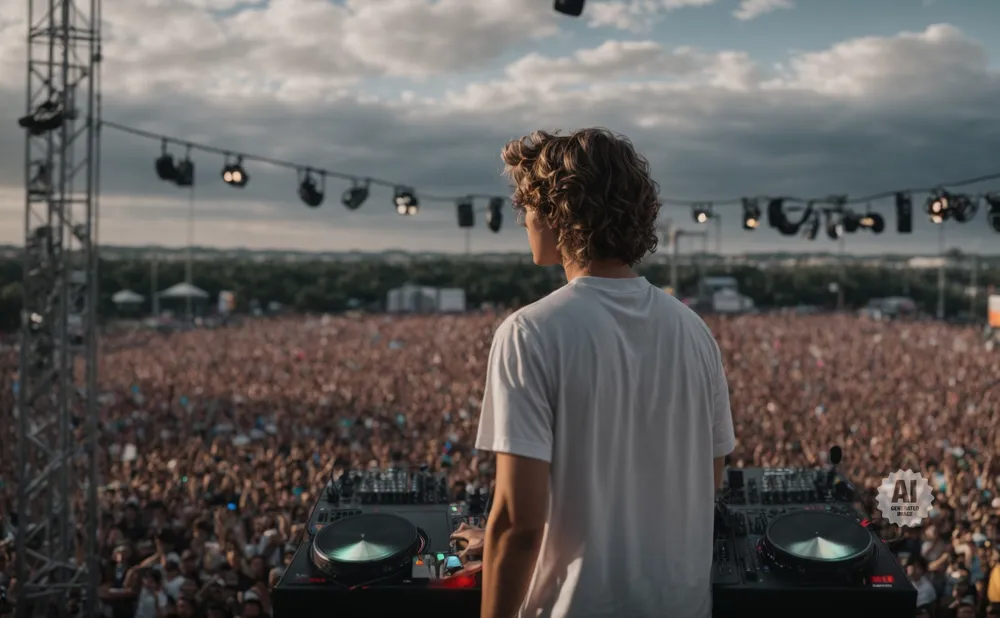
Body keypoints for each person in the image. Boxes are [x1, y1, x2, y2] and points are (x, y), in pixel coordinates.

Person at [463, 128, 736, 618]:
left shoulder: (529, 332)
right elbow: (703, 483)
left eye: (526, 204)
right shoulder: (694, 331)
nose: (523, 218)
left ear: (555, 211)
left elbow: (519, 524)